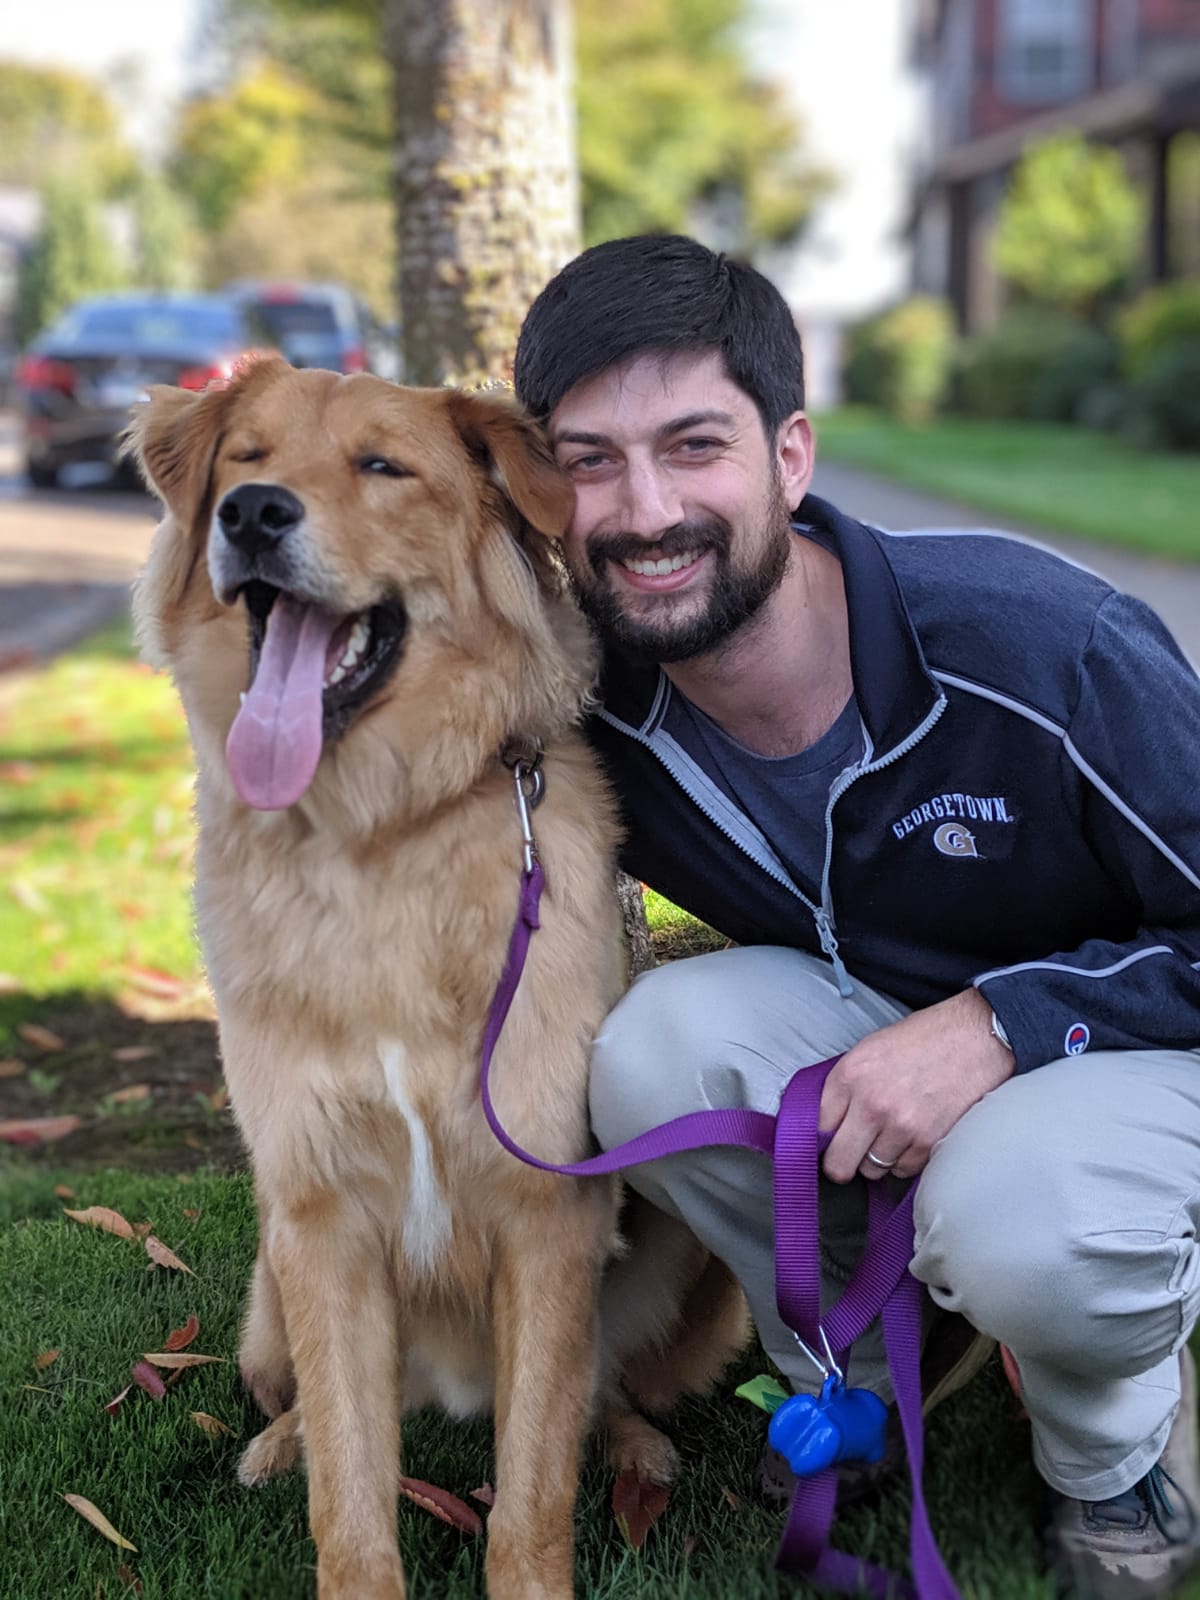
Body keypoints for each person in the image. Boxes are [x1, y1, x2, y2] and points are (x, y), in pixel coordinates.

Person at [512, 233, 1200, 1599]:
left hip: (1140, 1053)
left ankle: (1113, 1463)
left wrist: (1004, 1025)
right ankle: (866, 1380)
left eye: (693, 445)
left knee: (1018, 1210)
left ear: (791, 456)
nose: (643, 510)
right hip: (886, 1017)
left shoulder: (1044, 648)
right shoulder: (608, 704)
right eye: (589, 461)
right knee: (653, 1052)